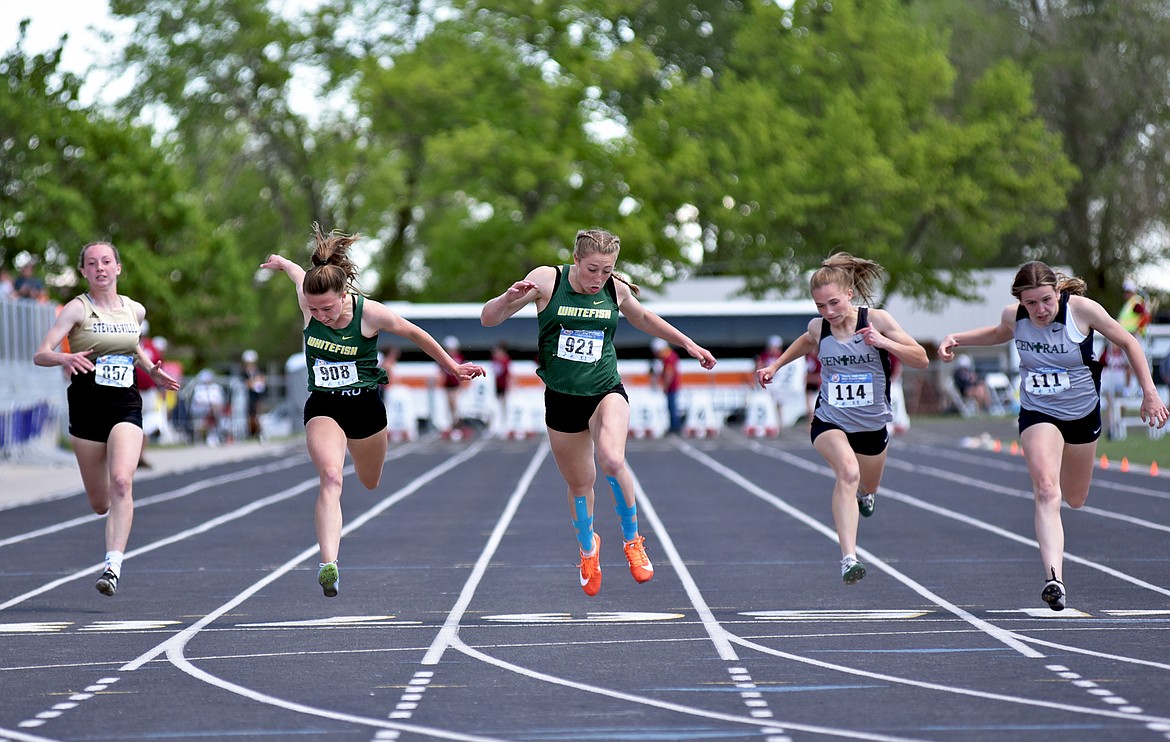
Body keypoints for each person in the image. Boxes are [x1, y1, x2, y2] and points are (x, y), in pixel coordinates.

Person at [480, 228, 717, 596]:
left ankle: (633, 541)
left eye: (607, 271)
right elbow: (489, 320)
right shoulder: (548, 279)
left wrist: (688, 343)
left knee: (611, 457)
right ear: (576, 259)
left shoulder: (615, 289)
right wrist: (506, 299)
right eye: (592, 269)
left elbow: (644, 318)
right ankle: (589, 550)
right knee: (579, 484)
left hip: (605, 391)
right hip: (562, 399)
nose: (598, 279)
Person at [262, 224, 484, 598]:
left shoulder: (369, 313)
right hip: (324, 407)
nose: (321, 316)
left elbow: (414, 334)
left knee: (369, 481)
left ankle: (334, 546)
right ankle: (328, 563)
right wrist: (283, 262)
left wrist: (451, 366)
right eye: (314, 310)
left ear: (343, 294)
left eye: (327, 308)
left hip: (365, 408)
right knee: (331, 476)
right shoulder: (309, 301)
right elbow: (298, 274)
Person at [938, 261, 1168, 611]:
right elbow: (1000, 333)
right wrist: (958, 339)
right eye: (1031, 304)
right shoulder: (1015, 316)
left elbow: (1129, 341)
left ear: (1058, 292)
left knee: (1074, 498)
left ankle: (1057, 548)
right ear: (1020, 301)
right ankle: (1054, 579)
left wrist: (1149, 393)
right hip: (1038, 411)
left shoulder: (1081, 311)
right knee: (1046, 489)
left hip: (1081, 415)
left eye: (1046, 300)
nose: (1040, 310)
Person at [757, 253, 928, 585]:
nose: (828, 312)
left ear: (850, 293)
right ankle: (849, 558)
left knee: (868, 484)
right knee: (847, 473)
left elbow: (921, 358)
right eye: (820, 306)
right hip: (829, 421)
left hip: (872, 425)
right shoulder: (819, 328)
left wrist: (884, 342)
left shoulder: (876, 320)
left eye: (833, 303)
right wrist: (775, 366)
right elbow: (806, 343)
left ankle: (868, 493)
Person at [32, 241, 180, 596]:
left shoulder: (135, 311)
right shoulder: (76, 310)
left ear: (118, 268)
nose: (100, 268)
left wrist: (150, 371)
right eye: (92, 263)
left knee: (122, 481)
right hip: (86, 408)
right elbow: (41, 354)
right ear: (83, 271)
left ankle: (112, 566)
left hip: (125, 406)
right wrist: (64, 359)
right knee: (101, 503)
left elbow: (132, 346)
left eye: (106, 261)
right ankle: (114, 514)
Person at [650, 337, 683, 434]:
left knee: (672, 406)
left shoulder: (669, 357)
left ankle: (675, 426)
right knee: (671, 406)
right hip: (672, 386)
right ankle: (674, 425)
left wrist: (665, 386)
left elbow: (669, 372)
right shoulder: (670, 356)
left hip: (672, 387)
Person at [438, 335, 466, 434]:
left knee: (455, 404)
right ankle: (452, 423)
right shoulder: (444, 358)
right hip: (447, 385)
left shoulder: (459, 357)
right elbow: (441, 372)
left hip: (456, 385)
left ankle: (457, 423)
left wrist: (463, 384)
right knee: (449, 405)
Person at [241, 349, 267, 439]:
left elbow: (262, 381)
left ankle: (259, 432)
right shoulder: (244, 373)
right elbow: (248, 384)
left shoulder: (258, 371)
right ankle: (251, 433)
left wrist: (255, 382)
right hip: (249, 397)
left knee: (259, 414)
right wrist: (254, 382)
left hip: (258, 396)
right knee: (250, 416)